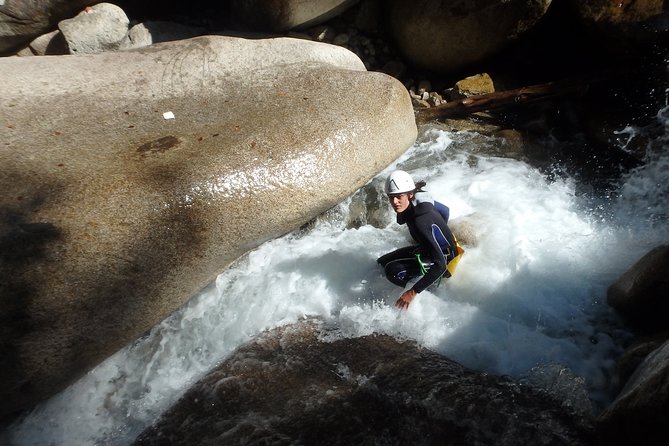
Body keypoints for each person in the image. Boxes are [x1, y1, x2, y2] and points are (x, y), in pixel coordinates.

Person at [377, 170, 463, 310]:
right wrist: (435, 235)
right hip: (430, 250)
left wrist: (412, 292)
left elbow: (440, 265)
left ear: (410, 194)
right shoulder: (420, 199)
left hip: (444, 263)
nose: (395, 202)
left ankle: (429, 293)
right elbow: (445, 210)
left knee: (392, 271)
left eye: (399, 197)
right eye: (391, 197)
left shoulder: (421, 222)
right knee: (381, 262)